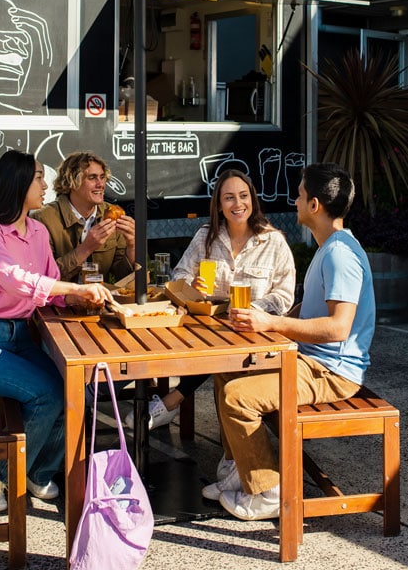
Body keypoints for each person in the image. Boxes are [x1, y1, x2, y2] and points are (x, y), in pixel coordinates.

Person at [202, 162, 375, 521]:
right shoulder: (329, 247)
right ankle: (240, 472)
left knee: (238, 398)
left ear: (314, 205)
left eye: (299, 195)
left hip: (331, 371)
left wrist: (273, 322)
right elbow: (309, 309)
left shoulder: (341, 255)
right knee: (227, 371)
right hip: (311, 361)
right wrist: (266, 323)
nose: (294, 201)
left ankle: (267, 490)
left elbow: (339, 328)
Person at [0, 150, 114, 513]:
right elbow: (16, 280)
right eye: (38, 177)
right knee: (48, 395)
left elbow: (49, 283)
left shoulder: (37, 230)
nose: (44, 184)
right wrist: (74, 290)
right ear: (18, 183)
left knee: (78, 395)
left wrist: (81, 301)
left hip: (21, 337)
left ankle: (39, 470)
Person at [125, 168, 295, 431]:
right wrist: (191, 287)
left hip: (255, 332)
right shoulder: (206, 236)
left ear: (252, 199)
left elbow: (284, 297)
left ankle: (172, 402)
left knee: (218, 353)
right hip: (210, 327)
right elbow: (179, 275)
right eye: (229, 198)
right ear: (218, 204)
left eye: (243, 196)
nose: (238, 204)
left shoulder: (273, 242)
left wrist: (253, 310)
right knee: (196, 345)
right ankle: (229, 448)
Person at [32, 151, 136, 282]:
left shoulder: (111, 214)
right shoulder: (42, 219)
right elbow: (43, 279)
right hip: (61, 301)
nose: (101, 184)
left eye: (102, 177)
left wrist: (132, 246)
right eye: (92, 178)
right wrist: (86, 248)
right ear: (72, 182)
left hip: (100, 299)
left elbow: (123, 277)